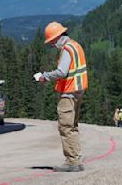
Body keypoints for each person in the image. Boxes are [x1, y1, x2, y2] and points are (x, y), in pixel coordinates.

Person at [35, 21, 88, 172]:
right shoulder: (75, 45)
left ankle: (72, 162)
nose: (52, 45)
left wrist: (44, 77)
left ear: (58, 37)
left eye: (52, 42)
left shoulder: (66, 49)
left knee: (65, 127)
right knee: (72, 126)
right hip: (78, 91)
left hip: (69, 93)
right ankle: (76, 159)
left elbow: (62, 72)